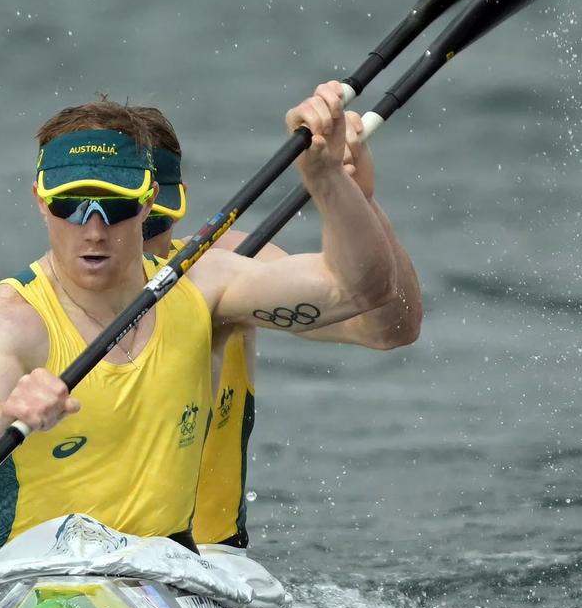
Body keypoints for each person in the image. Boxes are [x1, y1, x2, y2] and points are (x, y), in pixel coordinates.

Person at [0, 81, 398, 560]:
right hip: (36, 581)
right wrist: (3, 415)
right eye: (70, 204)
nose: (93, 229)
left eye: (115, 205)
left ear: (149, 200)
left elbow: (363, 291)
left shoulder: (203, 287)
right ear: (40, 199)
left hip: (169, 571)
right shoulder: (11, 320)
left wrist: (327, 179)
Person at [133, 105, 422, 551]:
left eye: (151, 219)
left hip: (203, 560)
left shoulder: (228, 266)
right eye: (102, 213)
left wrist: (355, 200)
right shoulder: (31, 304)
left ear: (171, 205)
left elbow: (388, 328)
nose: (128, 239)